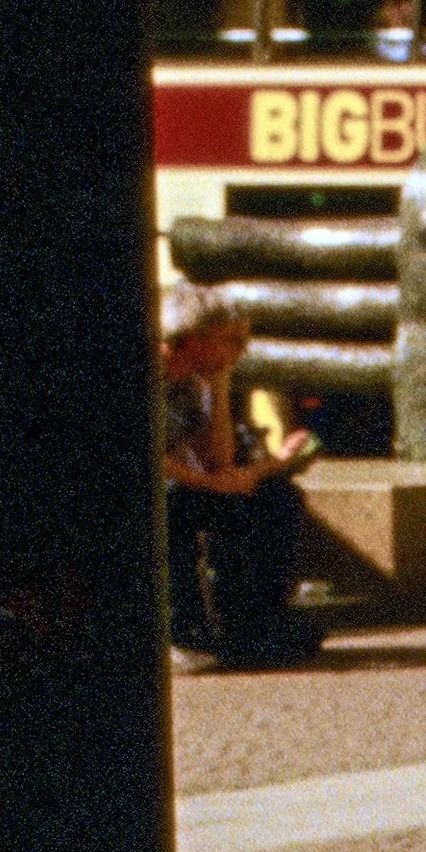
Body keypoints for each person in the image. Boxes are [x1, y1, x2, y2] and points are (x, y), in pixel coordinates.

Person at [160, 282, 322, 668]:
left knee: (275, 499)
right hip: (147, 491)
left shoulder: (194, 381)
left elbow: (219, 458)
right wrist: (211, 483)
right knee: (180, 508)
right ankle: (182, 632)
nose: (242, 350)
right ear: (195, 338)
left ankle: (252, 624)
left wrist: (220, 385)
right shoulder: (149, 372)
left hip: (184, 483)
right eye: (230, 340)